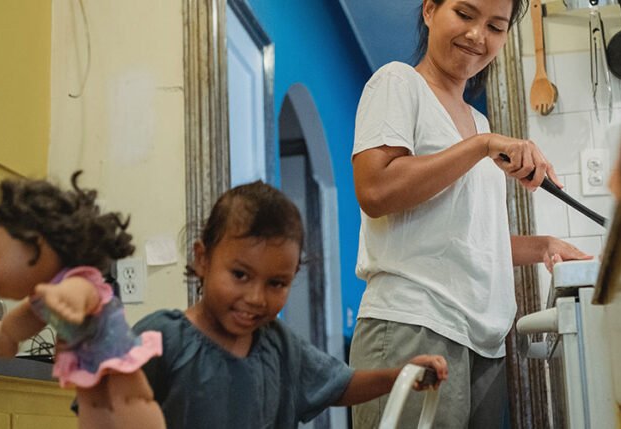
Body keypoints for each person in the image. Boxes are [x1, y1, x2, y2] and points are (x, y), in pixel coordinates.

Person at [349, 0, 592, 427]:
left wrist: (544, 246)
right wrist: (479, 148)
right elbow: (375, 189)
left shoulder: (479, 124)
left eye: (496, 27)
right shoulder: (397, 83)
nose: (478, 36)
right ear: (428, 10)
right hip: (413, 323)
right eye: (464, 14)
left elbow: (468, 237)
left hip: (483, 342)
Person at [132, 181, 448, 428]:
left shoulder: (280, 344)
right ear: (202, 259)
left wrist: (399, 376)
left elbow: (340, 386)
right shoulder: (160, 339)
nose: (256, 298)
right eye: (240, 275)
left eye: (276, 283)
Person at [0, 171, 165, 429]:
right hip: (85, 361)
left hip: (115, 354)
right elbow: (24, 321)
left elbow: (84, 293)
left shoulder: (77, 278)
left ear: (38, 244)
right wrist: (5, 334)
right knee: (91, 404)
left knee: (130, 399)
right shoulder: (41, 297)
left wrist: (65, 298)